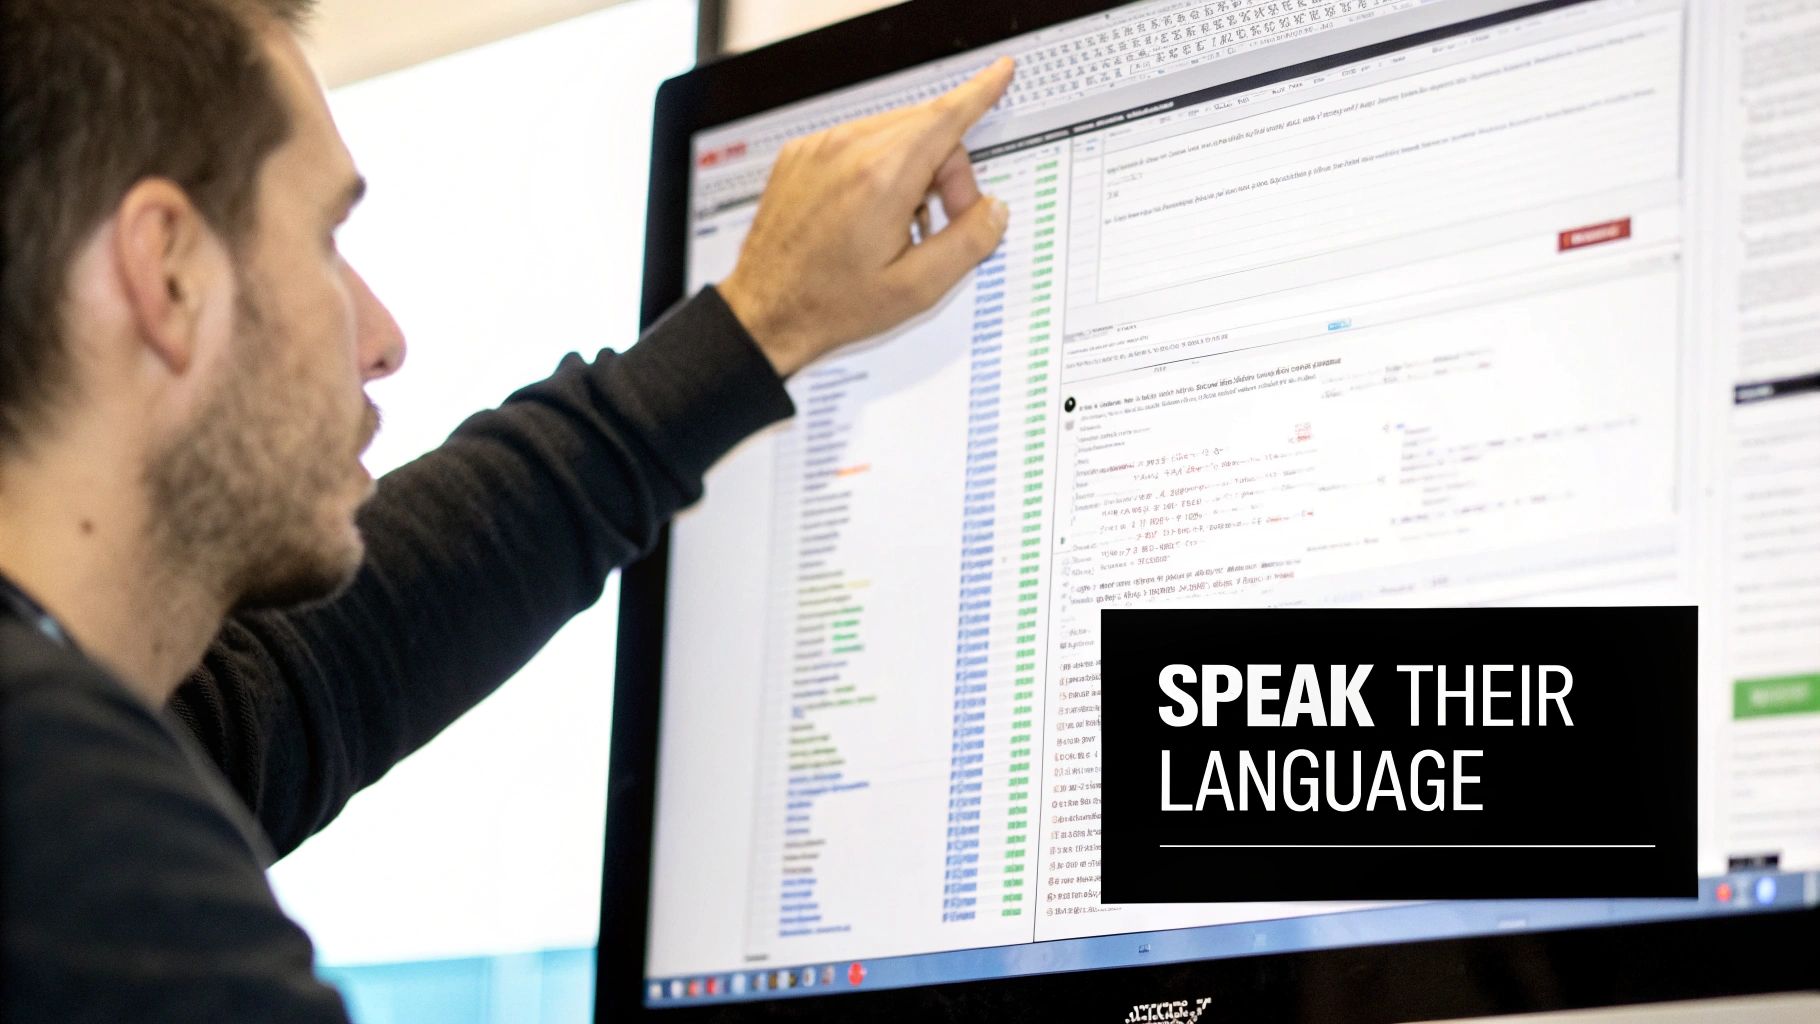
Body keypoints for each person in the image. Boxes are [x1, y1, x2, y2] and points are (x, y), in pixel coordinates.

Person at [0, 0, 1014, 1018]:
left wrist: (755, 325)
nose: (384, 337)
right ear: (167, 274)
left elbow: (334, 664)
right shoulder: (61, 815)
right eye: (323, 236)